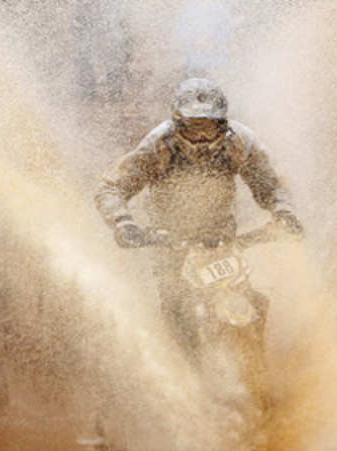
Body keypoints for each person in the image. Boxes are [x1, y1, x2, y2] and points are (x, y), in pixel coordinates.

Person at [96, 77, 302, 359]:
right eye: (194, 127)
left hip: (222, 237)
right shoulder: (158, 145)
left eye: (209, 126)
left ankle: (255, 360)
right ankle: (190, 370)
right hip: (169, 238)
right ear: (178, 124)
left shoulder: (241, 142)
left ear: (223, 123)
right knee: (176, 308)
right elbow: (112, 186)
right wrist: (122, 222)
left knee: (248, 297)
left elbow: (271, 185)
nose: (202, 137)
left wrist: (283, 212)